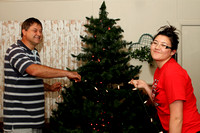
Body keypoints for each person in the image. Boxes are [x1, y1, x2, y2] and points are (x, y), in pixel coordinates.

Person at [3, 17, 81, 133]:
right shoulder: (15, 50)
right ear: (24, 31)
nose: (39, 34)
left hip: (36, 121)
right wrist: (67, 73)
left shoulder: (35, 54)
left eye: (40, 31)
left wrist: (49, 88)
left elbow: (31, 79)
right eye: (35, 30)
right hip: (20, 123)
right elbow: (33, 71)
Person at [129, 25, 200, 133]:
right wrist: (145, 86)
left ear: (172, 52)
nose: (157, 47)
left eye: (164, 45)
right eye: (155, 43)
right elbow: (160, 103)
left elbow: (177, 118)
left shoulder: (173, 73)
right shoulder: (160, 70)